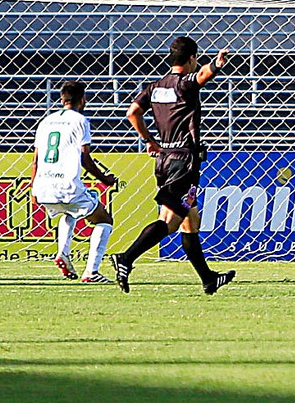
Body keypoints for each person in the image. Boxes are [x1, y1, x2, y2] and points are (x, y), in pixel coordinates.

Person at [110, 36, 235, 295]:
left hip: (164, 158)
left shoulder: (155, 87)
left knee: (191, 220)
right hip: (184, 161)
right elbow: (201, 75)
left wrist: (149, 140)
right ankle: (126, 258)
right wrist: (216, 65)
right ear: (191, 58)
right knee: (169, 221)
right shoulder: (184, 83)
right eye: (196, 58)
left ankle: (208, 279)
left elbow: (132, 112)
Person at [31, 80, 116, 284]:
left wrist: (33, 188)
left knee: (69, 212)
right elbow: (85, 158)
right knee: (104, 220)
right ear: (83, 99)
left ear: (62, 99)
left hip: (44, 185)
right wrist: (105, 179)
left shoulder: (46, 122)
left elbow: (35, 159)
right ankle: (91, 272)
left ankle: (63, 253)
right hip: (66, 185)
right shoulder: (80, 121)